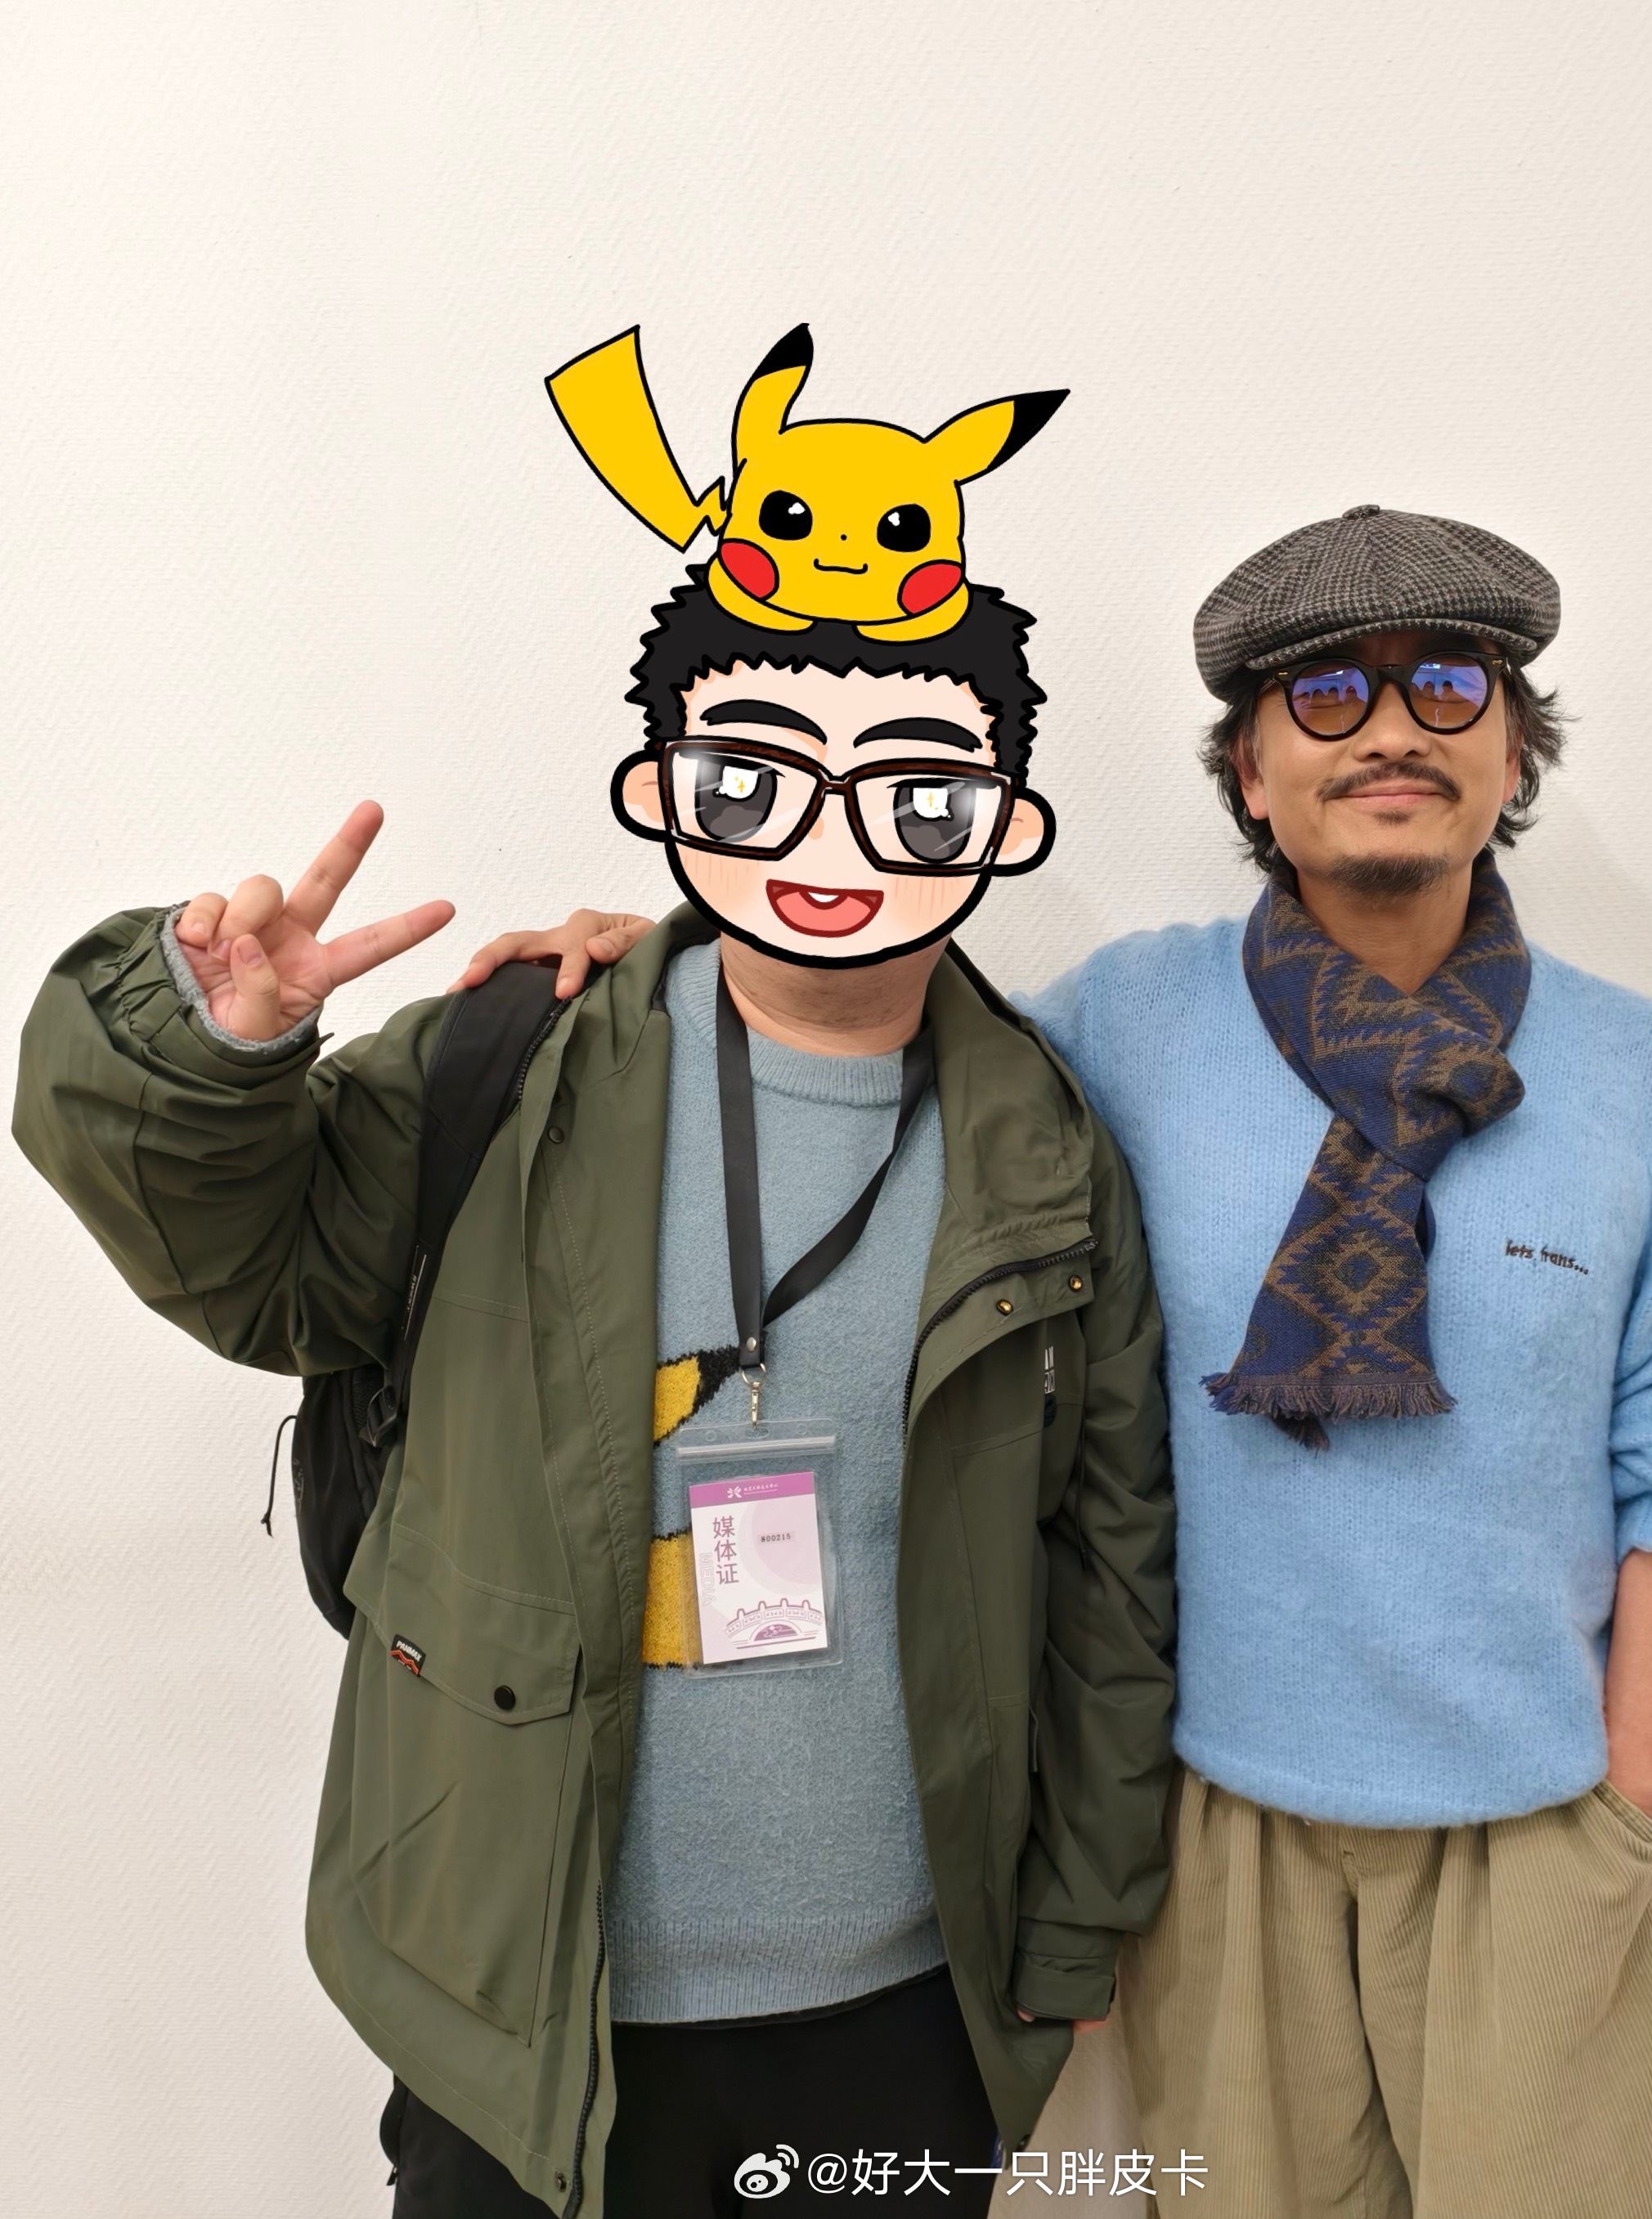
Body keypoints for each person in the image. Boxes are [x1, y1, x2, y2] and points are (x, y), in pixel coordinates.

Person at [508, 505, 1652, 2217]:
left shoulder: (1640, 1073)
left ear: (1512, 754)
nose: (1392, 730)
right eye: (1325, 695)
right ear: (1251, 773)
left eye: (1446, 685)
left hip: (1532, 1817)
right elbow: (865, 1038)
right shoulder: (1121, 1025)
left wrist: (1623, 1793)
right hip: (1210, 1826)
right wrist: (670, 956)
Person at [12, 565, 1176, 2217]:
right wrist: (203, 1054)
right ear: (663, 789)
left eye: (915, 793)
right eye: (758, 776)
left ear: (1004, 823)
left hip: (909, 2009)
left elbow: (1111, 1571)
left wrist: (1072, 1923)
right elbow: (260, 1273)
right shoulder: (513, 1060)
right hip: (522, 2002)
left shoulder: (1048, 1149)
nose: (830, 836)